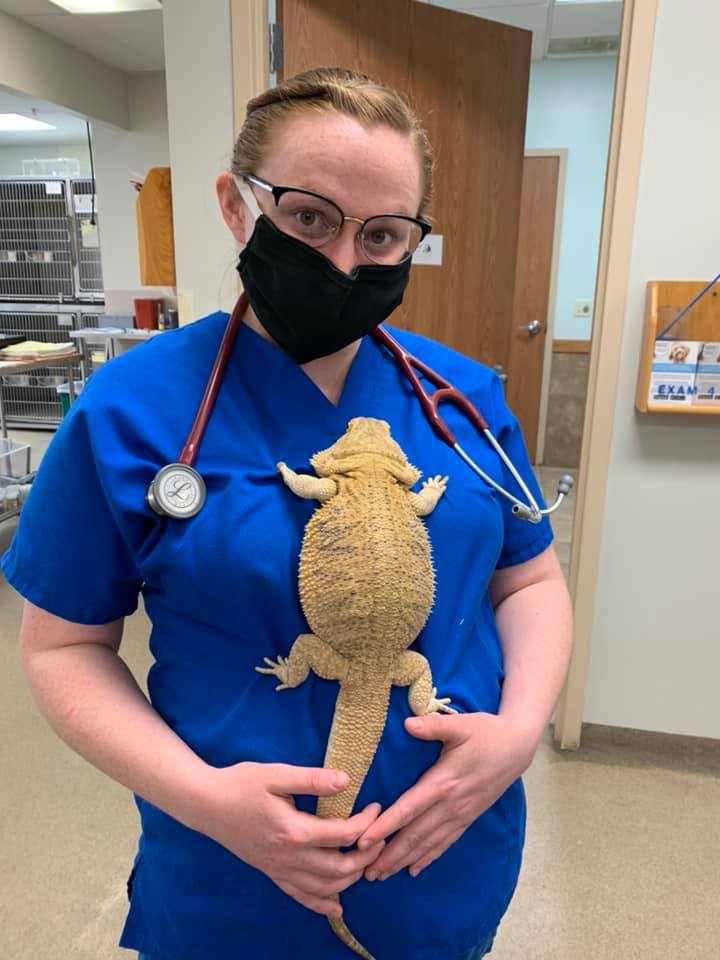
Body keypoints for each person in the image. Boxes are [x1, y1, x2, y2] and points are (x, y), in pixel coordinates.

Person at [4, 68, 573, 960]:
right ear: (237, 205)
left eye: (382, 235)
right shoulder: (131, 409)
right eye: (309, 218)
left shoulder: (461, 399)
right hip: (234, 879)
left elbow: (529, 578)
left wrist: (518, 733)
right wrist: (204, 799)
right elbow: (62, 648)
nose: (344, 263)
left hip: (446, 861)